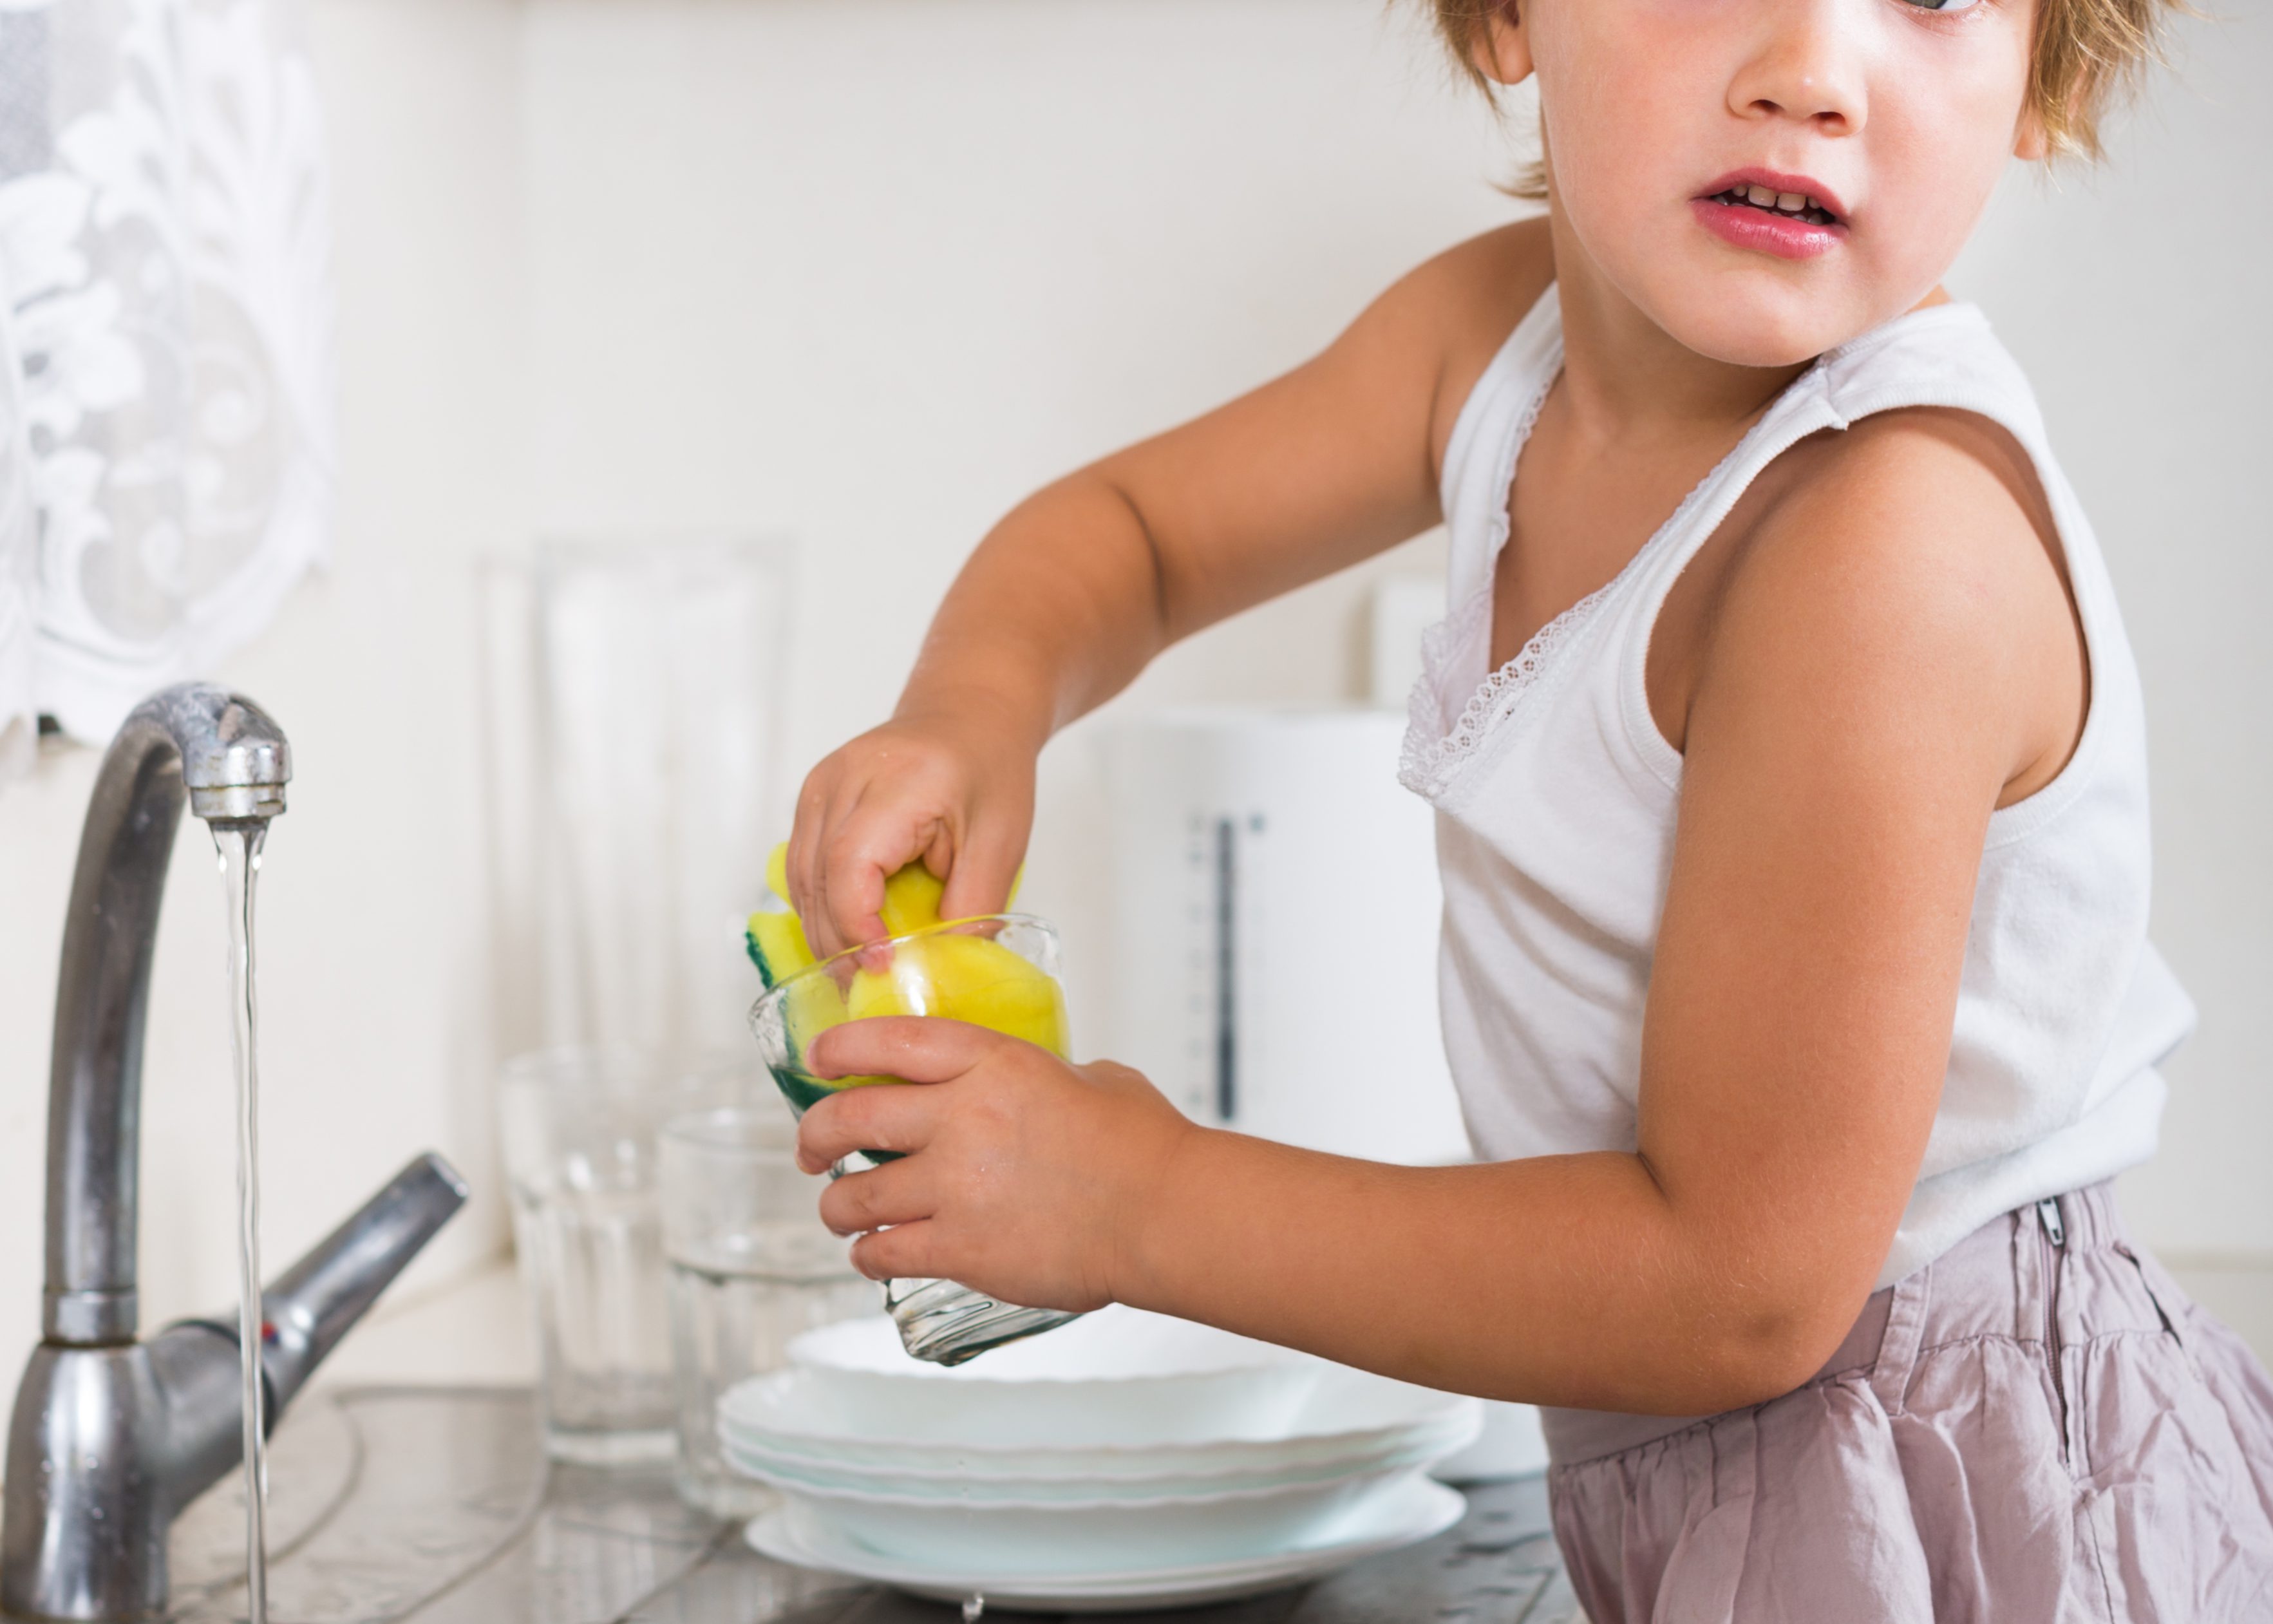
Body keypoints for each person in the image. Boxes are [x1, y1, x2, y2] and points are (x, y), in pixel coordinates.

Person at [777, 0, 2273, 1615]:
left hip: (1950, 1489)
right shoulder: (1495, 347)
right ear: (1506, 19)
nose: (1811, 73)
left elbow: (1735, 1289)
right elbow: (1137, 533)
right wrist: (974, 712)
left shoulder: (1883, 549)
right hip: (1719, 1448)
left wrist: (1132, 1200)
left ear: (2043, 75)